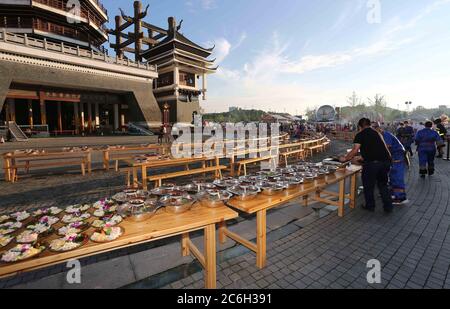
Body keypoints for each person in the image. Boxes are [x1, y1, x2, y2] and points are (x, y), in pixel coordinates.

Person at [339, 118, 393, 213]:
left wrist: (345, 158)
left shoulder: (360, 134)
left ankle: (370, 206)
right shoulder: (377, 133)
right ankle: (388, 207)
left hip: (372, 164)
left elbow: (355, 150)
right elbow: (384, 147)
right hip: (385, 162)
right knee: (383, 185)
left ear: (360, 126)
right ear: (369, 124)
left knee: (368, 186)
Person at [372, 122, 409, 205]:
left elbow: (386, 148)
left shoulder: (385, 135)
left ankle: (401, 198)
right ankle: (392, 194)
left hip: (397, 157)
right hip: (393, 158)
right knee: (392, 176)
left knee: (397, 178)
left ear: (378, 128)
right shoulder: (380, 135)